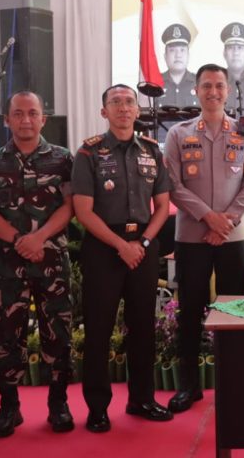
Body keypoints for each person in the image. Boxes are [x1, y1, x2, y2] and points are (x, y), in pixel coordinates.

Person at [0, 91, 75, 437]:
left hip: (51, 262)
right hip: (7, 266)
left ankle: (58, 404)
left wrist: (39, 237)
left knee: (57, 333)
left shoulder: (62, 159)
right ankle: (9, 407)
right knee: (7, 336)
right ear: (7, 119)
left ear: (43, 118)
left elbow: (71, 206)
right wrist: (20, 240)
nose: (26, 119)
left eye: (32, 113)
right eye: (18, 113)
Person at [71, 84, 174, 432]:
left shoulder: (152, 151)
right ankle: (97, 408)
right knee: (99, 329)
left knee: (143, 327)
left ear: (137, 110)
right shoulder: (88, 153)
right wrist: (121, 245)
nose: (123, 107)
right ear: (104, 111)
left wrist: (141, 242)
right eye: (115, 102)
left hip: (143, 245)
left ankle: (142, 399)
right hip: (104, 246)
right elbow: (83, 211)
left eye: (129, 102)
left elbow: (162, 206)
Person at [164, 64, 244, 413]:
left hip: (233, 236)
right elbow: (172, 185)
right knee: (190, 311)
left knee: (234, 309)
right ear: (196, 90)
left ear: (227, 91)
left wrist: (227, 219)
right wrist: (208, 217)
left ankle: (233, 384)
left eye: (219, 85)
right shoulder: (178, 134)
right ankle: (188, 386)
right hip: (191, 235)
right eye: (206, 85)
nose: (213, 92)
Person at [155, 24, 198, 109]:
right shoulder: (155, 84)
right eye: (172, 50)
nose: (178, 55)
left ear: (188, 55)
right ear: (165, 56)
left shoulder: (200, 83)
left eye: (182, 50)